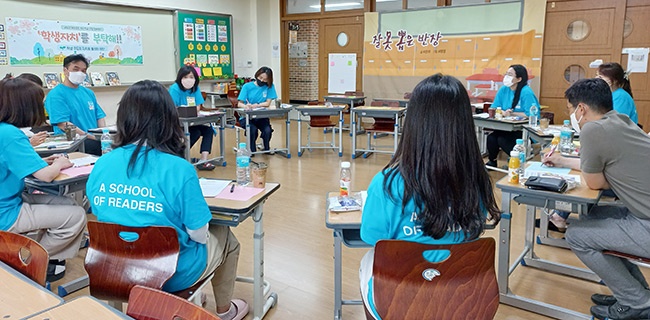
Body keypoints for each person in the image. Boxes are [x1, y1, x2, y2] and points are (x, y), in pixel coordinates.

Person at [86, 80, 248, 320]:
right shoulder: (179, 169)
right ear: (168, 119)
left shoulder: (102, 164)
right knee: (225, 236)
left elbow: (102, 210)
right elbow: (198, 235)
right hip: (169, 273)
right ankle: (225, 311)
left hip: (113, 269)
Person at [359, 74, 501, 319]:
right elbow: (475, 232)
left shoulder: (386, 184)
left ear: (413, 123)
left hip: (397, 300)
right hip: (462, 296)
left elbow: (372, 238)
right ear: (465, 125)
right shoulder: (476, 182)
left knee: (368, 260)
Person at [542, 78, 650, 320]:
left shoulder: (592, 129)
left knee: (576, 235)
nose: (571, 115)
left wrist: (596, 171)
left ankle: (639, 302)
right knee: (593, 215)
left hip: (646, 223)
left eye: (570, 110)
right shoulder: (618, 119)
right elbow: (603, 170)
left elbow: (594, 182)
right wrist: (561, 161)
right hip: (641, 213)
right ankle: (633, 292)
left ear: (581, 108)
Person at [0, 77, 86, 282]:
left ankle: (48, 261)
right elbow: (46, 177)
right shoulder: (10, 134)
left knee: (66, 203)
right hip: (6, 211)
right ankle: (29, 261)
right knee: (76, 215)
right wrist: (59, 163)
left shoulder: (5, 131)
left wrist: (42, 162)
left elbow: (14, 162)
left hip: (10, 199)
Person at [45, 54, 106, 156]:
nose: (80, 73)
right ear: (65, 70)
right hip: (73, 143)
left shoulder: (88, 92)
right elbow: (63, 124)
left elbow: (99, 117)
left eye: (83, 71)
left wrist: (103, 136)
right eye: (76, 69)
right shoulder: (56, 94)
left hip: (93, 139)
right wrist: (91, 137)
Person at [485, 64, 540, 167]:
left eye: (510, 74)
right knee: (491, 138)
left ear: (519, 79)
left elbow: (532, 114)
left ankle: (517, 161)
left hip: (523, 130)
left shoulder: (526, 92)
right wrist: (500, 112)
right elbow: (495, 107)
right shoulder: (503, 90)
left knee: (502, 139)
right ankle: (492, 161)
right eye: (506, 74)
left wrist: (512, 113)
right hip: (505, 128)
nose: (506, 77)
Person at [168, 66, 216, 170]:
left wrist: (194, 111)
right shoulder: (175, 88)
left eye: (191, 77)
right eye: (185, 77)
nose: (188, 79)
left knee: (209, 130)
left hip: (192, 121)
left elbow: (198, 105)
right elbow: (172, 107)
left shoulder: (195, 88)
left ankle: (204, 160)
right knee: (195, 132)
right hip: (177, 122)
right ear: (180, 77)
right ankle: (180, 155)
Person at [237, 66, 277, 153]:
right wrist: (246, 106)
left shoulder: (269, 87)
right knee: (252, 129)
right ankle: (252, 150)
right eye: (260, 78)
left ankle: (266, 147)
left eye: (265, 79)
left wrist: (256, 105)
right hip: (247, 118)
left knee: (267, 130)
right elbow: (239, 103)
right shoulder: (247, 86)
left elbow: (267, 103)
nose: (262, 81)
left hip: (261, 116)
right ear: (257, 75)